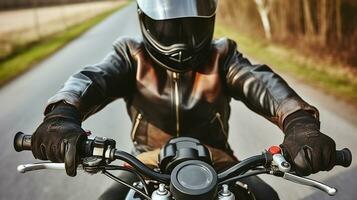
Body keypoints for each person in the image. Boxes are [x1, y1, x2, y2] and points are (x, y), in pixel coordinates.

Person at [30, 0, 336, 199]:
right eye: (168, 27)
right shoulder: (130, 55)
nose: (180, 39)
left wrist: (300, 124)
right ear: (145, 21)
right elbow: (92, 79)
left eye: (191, 27)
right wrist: (62, 116)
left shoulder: (222, 56)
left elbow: (263, 85)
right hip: (147, 158)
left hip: (217, 158)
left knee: (266, 197)